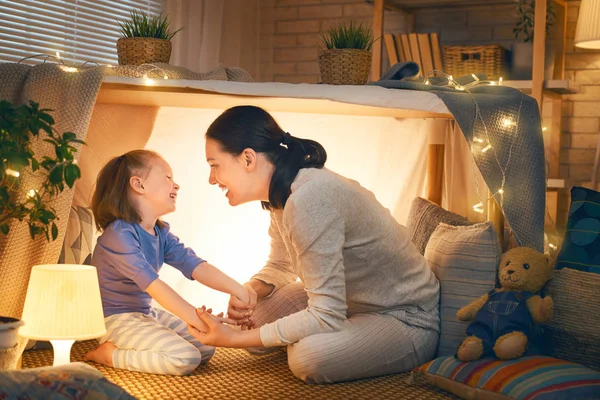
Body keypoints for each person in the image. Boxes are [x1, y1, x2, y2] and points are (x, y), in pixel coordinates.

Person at [188, 106, 441, 384]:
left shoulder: (311, 198)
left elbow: (325, 312)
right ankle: (330, 334)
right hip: (348, 301)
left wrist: (231, 340)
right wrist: (249, 290)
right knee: (255, 321)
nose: (212, 179)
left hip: (405, 318)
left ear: (248, 158)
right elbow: (281, 265)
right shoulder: (282, 193)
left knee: (307, 358)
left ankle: (334, 338)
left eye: (214, 165)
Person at [83, 149, 256, 376]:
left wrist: (239, 290)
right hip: (116, 319)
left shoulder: (160, 231)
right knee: (186, 357)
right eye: (167, 178)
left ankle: (146, 341)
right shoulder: (119, 235)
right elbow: (155, 287)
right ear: (139, 185)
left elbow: (196, 266)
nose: (176, 185)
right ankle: (110, 355)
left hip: (145, 313)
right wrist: (199, 319)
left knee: (205, 348)